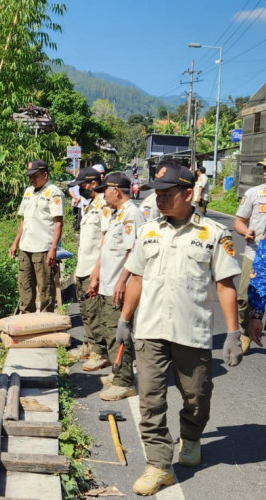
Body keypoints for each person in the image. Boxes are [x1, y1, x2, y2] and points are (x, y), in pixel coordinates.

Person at [116, 161, 241, 496]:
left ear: (189, 193)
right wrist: (125, 320)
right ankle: (158, 465)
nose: (160, 200)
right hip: (150, 330)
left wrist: (232, 333)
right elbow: (137, 278)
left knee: (196, 397)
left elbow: (225, 284)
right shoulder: (148, 231)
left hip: (192, 332)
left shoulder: (213, 234)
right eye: (157, 193)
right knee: (150, 400)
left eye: (168, 194)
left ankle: (192, 435)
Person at [86, 172, 144, 400]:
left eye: (105, 191)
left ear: (116, 190)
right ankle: (118, 370)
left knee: (118, 333)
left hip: (119, 285)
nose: (103, 195)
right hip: (108, 283)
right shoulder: (118, 214)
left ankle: (124, 381)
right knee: (109, 329)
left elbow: (134, 252)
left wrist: (122, 281)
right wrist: (97, 275)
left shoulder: (132, 215)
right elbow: (108, 249)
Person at [9, 160, 64, 313]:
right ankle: (27, 320)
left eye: (35, 176)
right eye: (30, 177)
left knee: (45, 288)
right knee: (25, 286)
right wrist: (15, 243)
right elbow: (24, 220)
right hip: (26, 247)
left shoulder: (54, 192)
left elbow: (58, 222)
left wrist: (53, 248)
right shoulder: (28, 192)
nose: (32, 180)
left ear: (45, 174)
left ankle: (46, 323)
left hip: (43, 248)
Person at [67, 168, 109, 362]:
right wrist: (77, 267)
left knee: (95, 312)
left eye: (82, 185)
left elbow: (104, 239)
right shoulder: (91, 205)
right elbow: (86, 242)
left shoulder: (104, 207)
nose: (80, 189)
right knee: (85, 310)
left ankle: (100, 352)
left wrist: (98, 271)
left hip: (94, 268)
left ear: (93, 184)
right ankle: (89, 344)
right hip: (84, 267)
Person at [233, 156, 266, 353]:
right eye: (264, 169)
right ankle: (244, 331)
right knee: (246, 297)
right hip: (254, 254)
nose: (265, 172)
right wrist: (245, 232)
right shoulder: (254, 194)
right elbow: (238, 221)